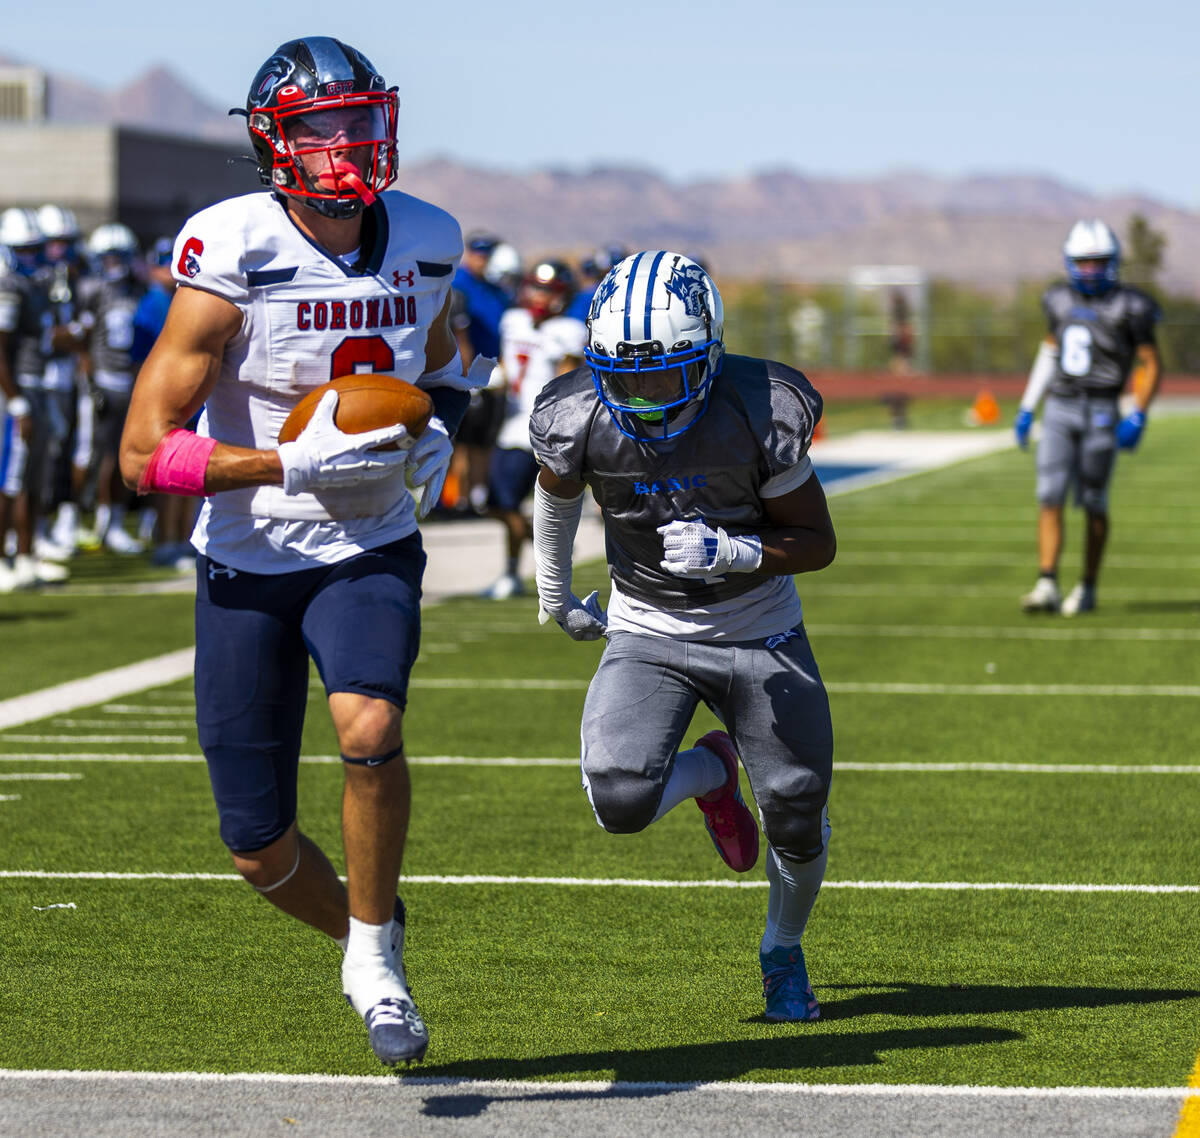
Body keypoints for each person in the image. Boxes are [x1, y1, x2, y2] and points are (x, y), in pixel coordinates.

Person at [119, 36, 491, 1067]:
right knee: (257, 850)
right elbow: (144, 453)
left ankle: (374, 956)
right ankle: (368, 925)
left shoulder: (425, 236)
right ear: (273, 145)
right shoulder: (231, 246)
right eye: (318, 127)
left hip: (368, 540)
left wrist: (441, 425)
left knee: (368, 722)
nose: (345, 144)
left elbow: (451, 359)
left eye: (359, 120)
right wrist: (283, 466)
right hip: (248, 554)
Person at [529, 251, 836, 1021]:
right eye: (623, 376)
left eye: (662, 376)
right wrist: (556, 594)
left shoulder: (759, 408)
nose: (640, 395)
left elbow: (816, 542)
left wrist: (738, 551)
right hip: (648, 627)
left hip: (758, 628)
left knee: (797, 814)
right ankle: (710, 776)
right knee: (619, 799)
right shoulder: (579, 415)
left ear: (708, 354)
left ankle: (781, 949)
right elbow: (558, 495)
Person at [1015, 219, 1162, 616]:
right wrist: (1029, 405)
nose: (1091, 269)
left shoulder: (1132, 305)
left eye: (1098, 261)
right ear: (1070, 262)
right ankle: (1047, 582)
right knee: (1049, 496)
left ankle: (1089, 585)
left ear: (1112, 261)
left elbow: (1150, 362)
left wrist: (1139, 414)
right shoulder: (1058, 300)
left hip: (1102, 408)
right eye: (1084, 261)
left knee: (1094, 502)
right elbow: (1049, 351)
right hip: (1061, 406)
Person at [483, 258, 585, 598]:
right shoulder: (513, 321)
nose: (539, 297)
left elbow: (568, 383)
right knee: (494, 504)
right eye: (535, 288)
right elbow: (508, 367)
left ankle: (512, 573)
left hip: (538, 431)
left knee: (508, 504)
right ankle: (543, 541)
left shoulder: (567, 331)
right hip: (508, 424)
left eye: (547, 291)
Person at [447, 232, 511, 514]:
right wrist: (464, 374)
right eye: (478, 253)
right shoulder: (458, 284)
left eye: (486, 255)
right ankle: (456, 500)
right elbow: (459, 336)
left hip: (493, 373)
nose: (481, 260)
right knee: (462, 442)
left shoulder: (497, 290)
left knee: (484, 441)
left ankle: (477, 498)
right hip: (466, 372)